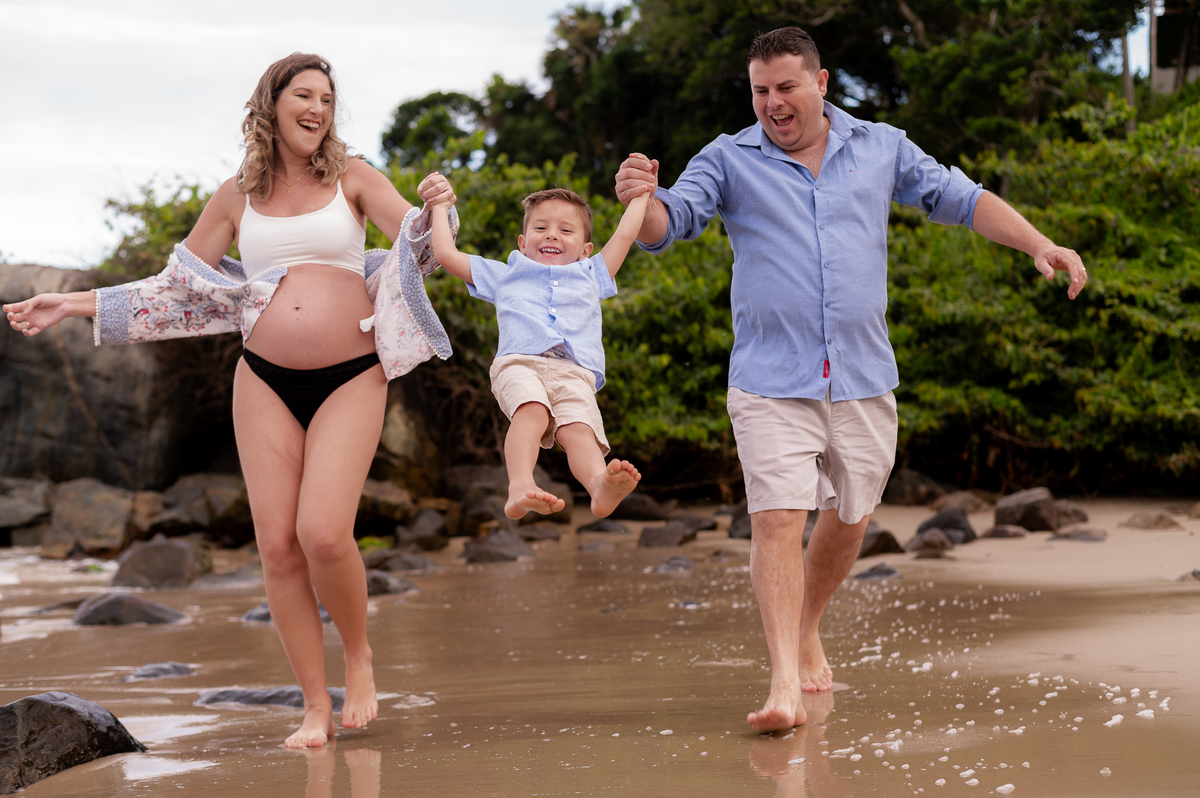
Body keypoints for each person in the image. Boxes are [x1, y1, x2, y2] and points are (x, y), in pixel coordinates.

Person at [614, 27, 1088, 734]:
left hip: (864, 374)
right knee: (777, 518)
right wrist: (641, 198)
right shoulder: (728, 157)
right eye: (760, 91)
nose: (772, 103)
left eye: (785, 87)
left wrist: (1040, 243)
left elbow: (963, 199)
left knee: (852, 514)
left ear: (821, 82)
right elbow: (667, 223)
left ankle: (807, 621)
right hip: (769, 379)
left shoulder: (882, 146)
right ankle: (783, 682)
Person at [4, 53, 458, 748]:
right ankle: (315, 706)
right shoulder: (235, 197)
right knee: (277, 548)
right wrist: (70, 303)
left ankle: (359, 656)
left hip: (352, 372)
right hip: (263, 378)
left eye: (327, 98)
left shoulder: (354, 177)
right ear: (271, 104)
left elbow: (420, 248)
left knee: (323, 534)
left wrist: (436, 208)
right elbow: (175, 290)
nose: (317, 108)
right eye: (303, 95)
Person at [426, 184, 649, 519]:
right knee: (532, 411)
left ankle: (598, 485)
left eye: (566, 230)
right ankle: (519, 486)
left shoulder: (592, 273)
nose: (552, 235)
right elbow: (445, 254)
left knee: (579, 429)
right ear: (522, 242)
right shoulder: (505, 274)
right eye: (541, 227)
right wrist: (439, 206)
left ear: (586, 249)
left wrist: (643, 193)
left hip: (575, 371)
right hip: (520, 363)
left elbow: (625, 235)